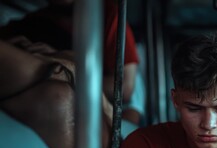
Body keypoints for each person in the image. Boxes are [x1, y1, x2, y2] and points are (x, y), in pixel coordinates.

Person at [0, 0, 142, 125]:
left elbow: (124, 88)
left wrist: (60, 63)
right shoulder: (30, 23)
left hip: (102, 108)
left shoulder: (107, 16)